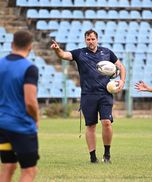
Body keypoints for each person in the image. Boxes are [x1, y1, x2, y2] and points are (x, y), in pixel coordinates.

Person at [51, 29, 126, 163]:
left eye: (93, 39)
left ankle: (107, 155)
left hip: (105, 93)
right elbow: (63, 55)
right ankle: (93, 157)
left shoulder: (107, 52)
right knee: (91, 126)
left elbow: (121, 67)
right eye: (88, 39)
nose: (90, 41)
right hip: (88, 95)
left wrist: (122, 81)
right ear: (85, 40)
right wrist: (57, 50)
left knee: (106, 123)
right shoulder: (79, 53)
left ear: (97, 39)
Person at [0, 30, 40, 182]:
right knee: (29, 170)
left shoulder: (0, 64)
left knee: (8, 167)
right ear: (30, 47)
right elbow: (30, 101)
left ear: (12, 44)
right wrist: (36, 118)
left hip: (2, 125)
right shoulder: (29, 68)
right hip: (21, 126)